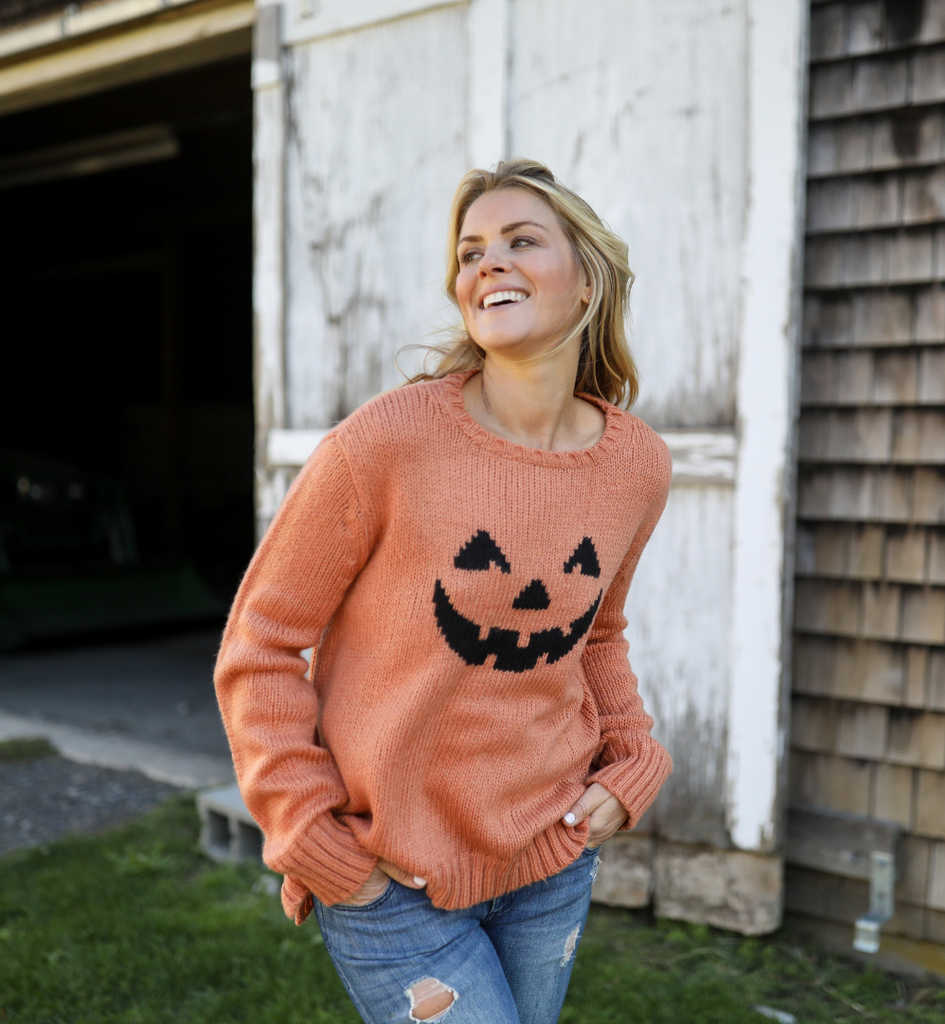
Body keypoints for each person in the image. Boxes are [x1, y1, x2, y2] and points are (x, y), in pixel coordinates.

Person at [214, 158, 673, 1024]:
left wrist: (633, 761)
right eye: (470, 251)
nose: (487, 263)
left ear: (588, 281)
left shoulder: (637, 465)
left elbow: (598, 634)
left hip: (551, 861)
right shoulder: (386, 444)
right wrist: (311, 834)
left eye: (521, 241)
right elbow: (260, 646)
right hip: (392, 880)